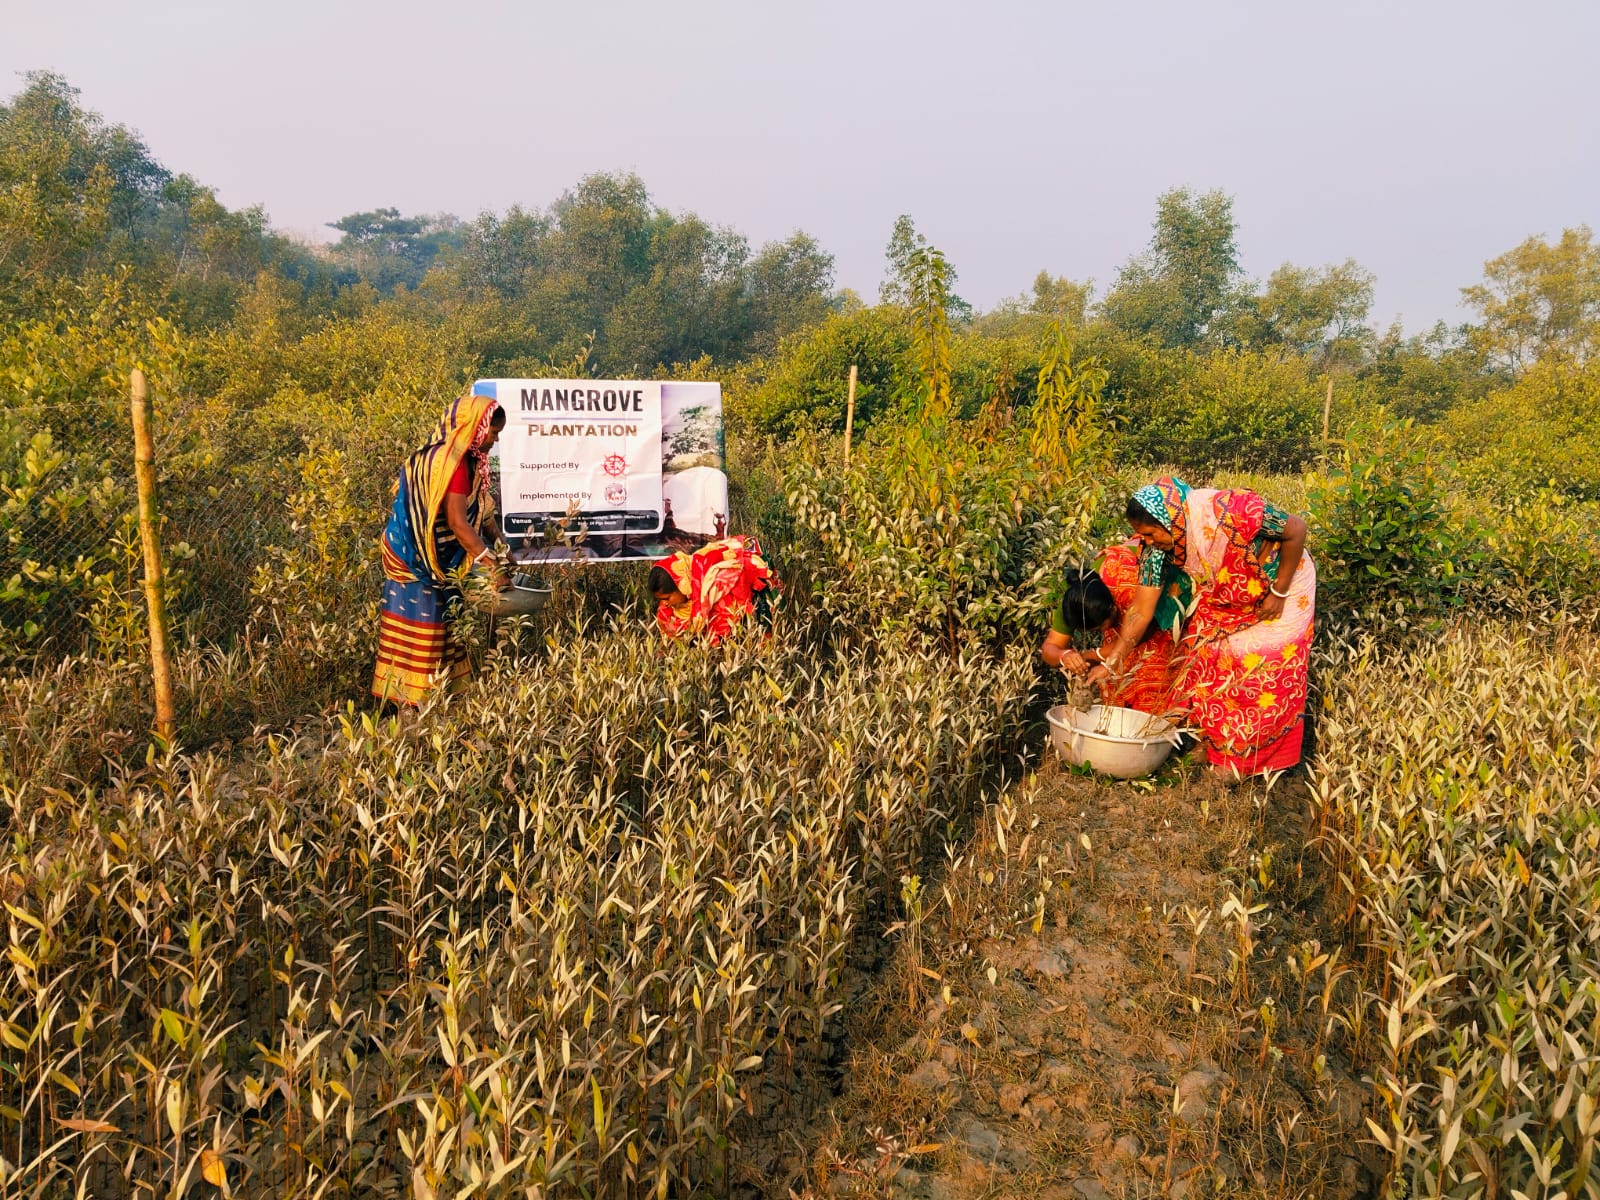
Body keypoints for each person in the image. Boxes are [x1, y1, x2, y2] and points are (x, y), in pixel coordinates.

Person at [1093, 475, 1315, 781]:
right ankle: (1213, 744)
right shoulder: (1155, 550)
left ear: (1169, 520)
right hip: (1228, 594)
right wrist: (1113, 659)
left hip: (1284, 583)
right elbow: (1141, 610)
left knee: (1262, 668)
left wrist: (1278, 591)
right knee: (1208, 657)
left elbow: (1296, 530)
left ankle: (1243, 760)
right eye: (1139, 536)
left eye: (1148, 533)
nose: (1144, 541)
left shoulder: (1229, 510)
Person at [371, 394, 508, 706]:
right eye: (493, 432)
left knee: (447, 625)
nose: (494, 439)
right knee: (427, 630)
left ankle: (440, 703)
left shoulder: (471, 460)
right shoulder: (450, 464)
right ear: (475, 427)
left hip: (436, 559)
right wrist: (492, 565)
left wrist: (501, 547)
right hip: (416, 560)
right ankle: (414, 711)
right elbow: (459, 524)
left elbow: (481, 513)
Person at [1039, 542, 1189, 715]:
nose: (1101, 633)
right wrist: (1064, 655)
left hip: (1164, 623)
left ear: (1114, 608)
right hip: (1123, 640)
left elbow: (1142, 632)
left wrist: (1096, 655)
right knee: (1116, 694)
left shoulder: (1134, 580)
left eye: (1102, 628)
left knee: (1154, 701)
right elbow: (1049, 649)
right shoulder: (1076, 599)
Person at [648, 535, 778, 644]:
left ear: (682, 586)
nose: (664, 603)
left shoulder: (716, 585)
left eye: (667, 598)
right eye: (661, 599)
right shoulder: (668, 606)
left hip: (743, 578)